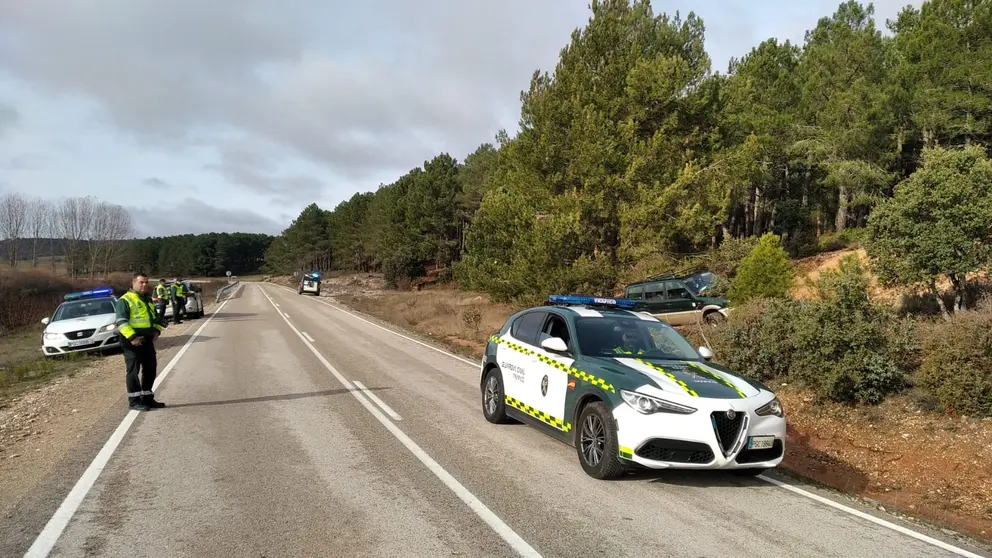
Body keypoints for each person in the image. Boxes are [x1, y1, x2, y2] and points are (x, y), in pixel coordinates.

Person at [114, 271, 166, 411]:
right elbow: (121, 322)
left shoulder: (147, 299)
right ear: (133, 283)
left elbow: (155, 318)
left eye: (146, 282)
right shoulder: (124, 300)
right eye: (141, 282)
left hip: (147, 340)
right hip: (131, 341)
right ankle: (134, 401)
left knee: (150, 369)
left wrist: (157, 330)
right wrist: (132, 338)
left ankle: (147, 398)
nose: (144, 285)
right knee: (133, 371)